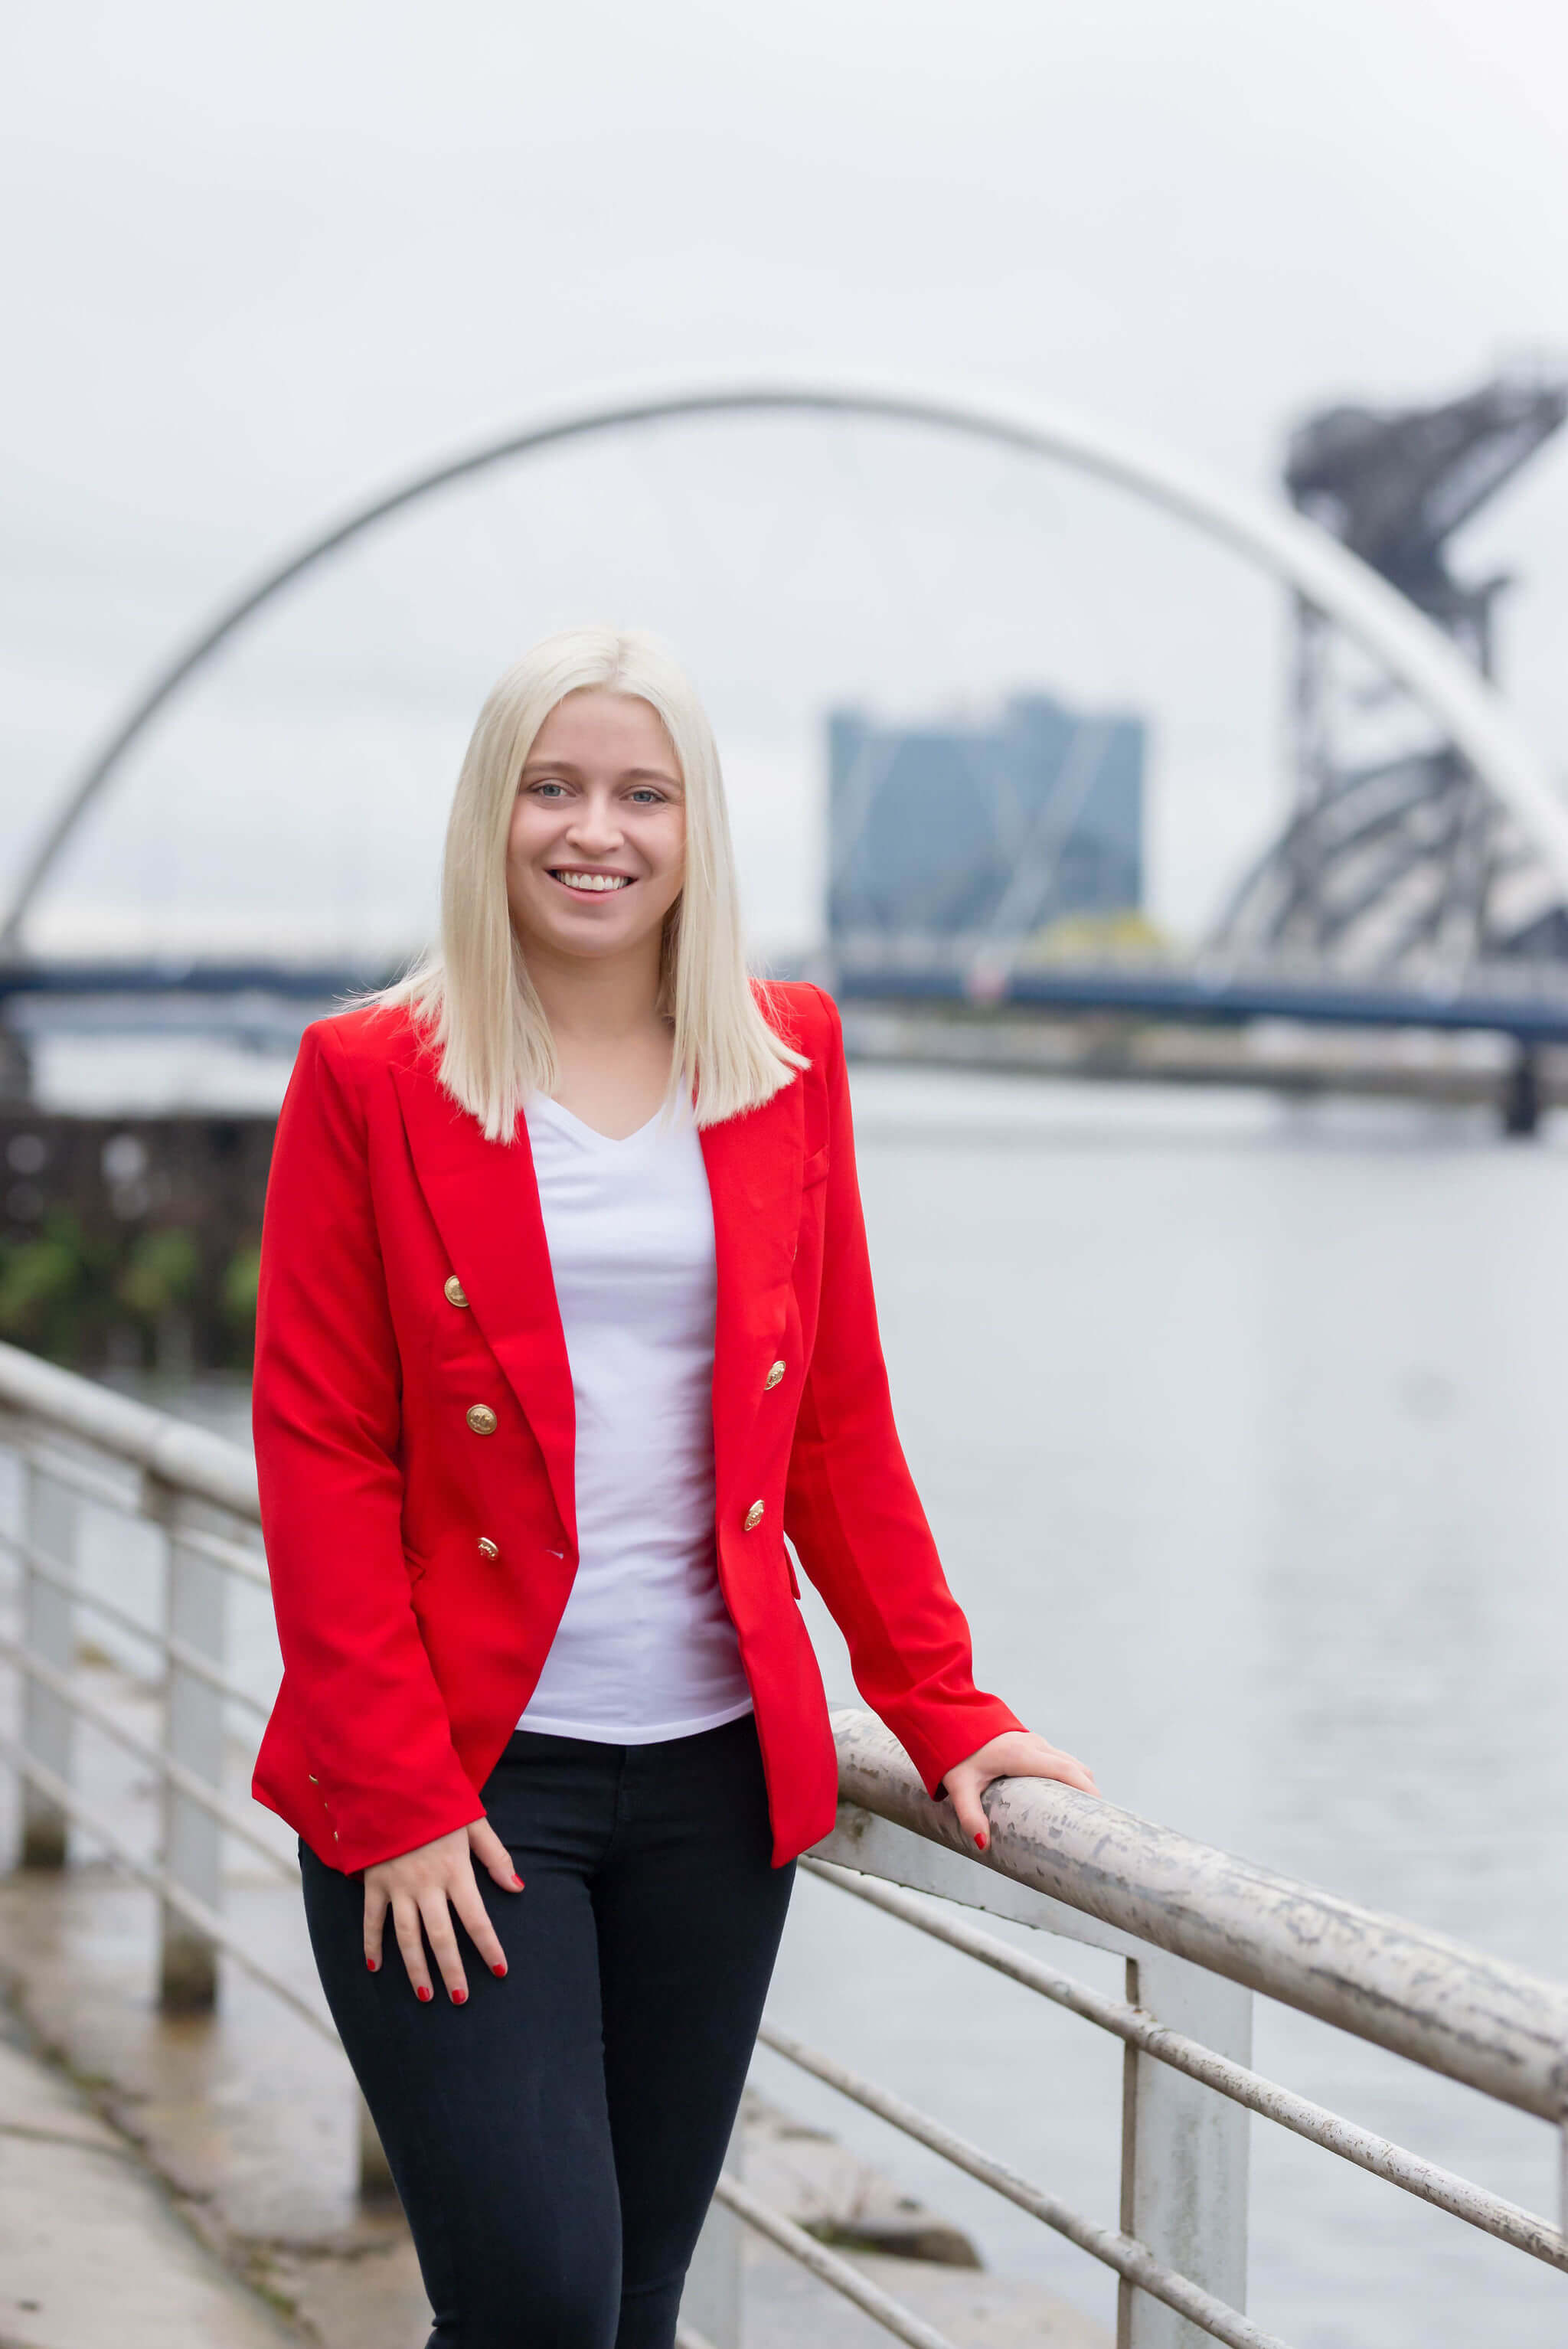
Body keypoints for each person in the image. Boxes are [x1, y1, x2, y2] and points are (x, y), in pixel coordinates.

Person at [250, 625, 1096, 2349]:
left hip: (714, 1790)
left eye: (643, 793)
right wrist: (402, 1795)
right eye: (553, 788)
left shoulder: (785, 1058)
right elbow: (320, 1453)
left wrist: (942, 1703)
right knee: (542, 2301)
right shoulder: (370, 1076)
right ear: (492, 811)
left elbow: (840, 1416)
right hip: (464, 1794)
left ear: (696, 828)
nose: (596, 831)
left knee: (626, 2306)